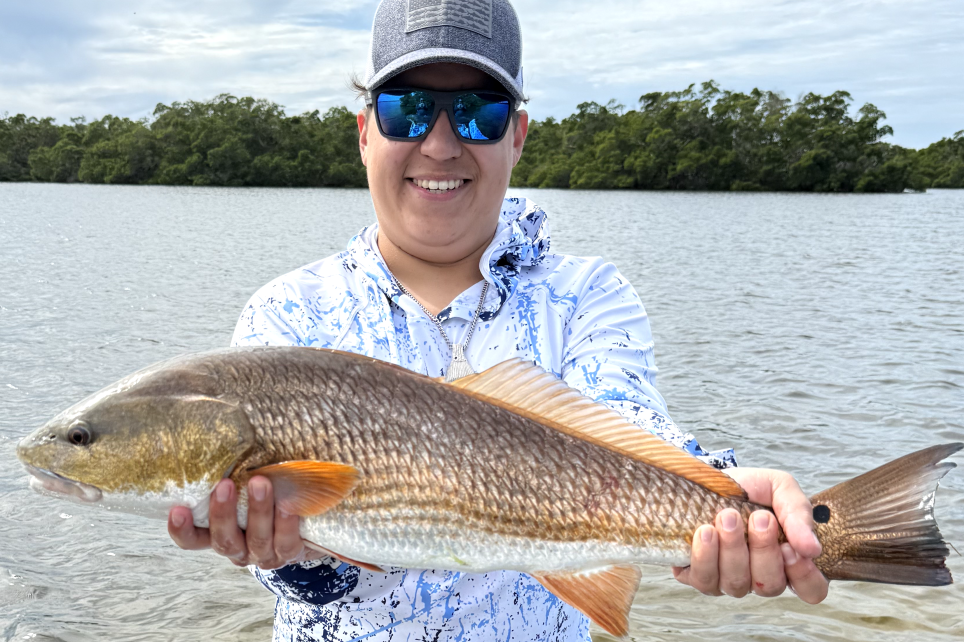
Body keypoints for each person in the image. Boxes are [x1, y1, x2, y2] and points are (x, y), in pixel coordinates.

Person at [169, 0, 828, 639]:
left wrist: (726, 498)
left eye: (478, 113)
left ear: (517, 135)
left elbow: (629, 426)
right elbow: (287, 578)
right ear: (366, 131)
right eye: (409, 109)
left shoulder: (586, 294)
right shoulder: (287, 313)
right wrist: (295, 561)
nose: (441, 143)